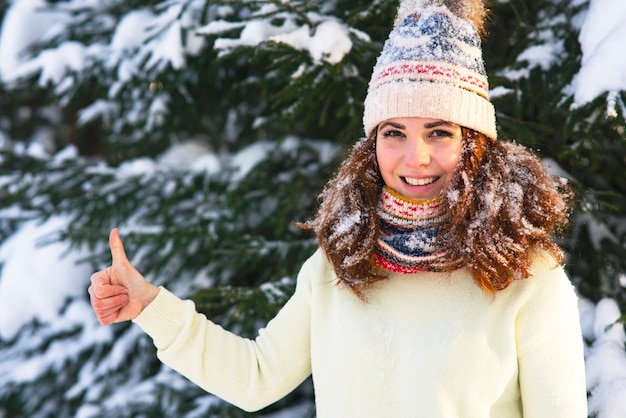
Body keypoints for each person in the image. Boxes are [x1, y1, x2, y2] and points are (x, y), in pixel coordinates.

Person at [88, 0, 588, 416]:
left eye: (439, 131)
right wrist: (151, 308)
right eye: (394, 133)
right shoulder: (339, 266)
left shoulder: (527, 276)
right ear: (372, 145)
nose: (415, 157)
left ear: (474, 143)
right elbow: (257, 377)